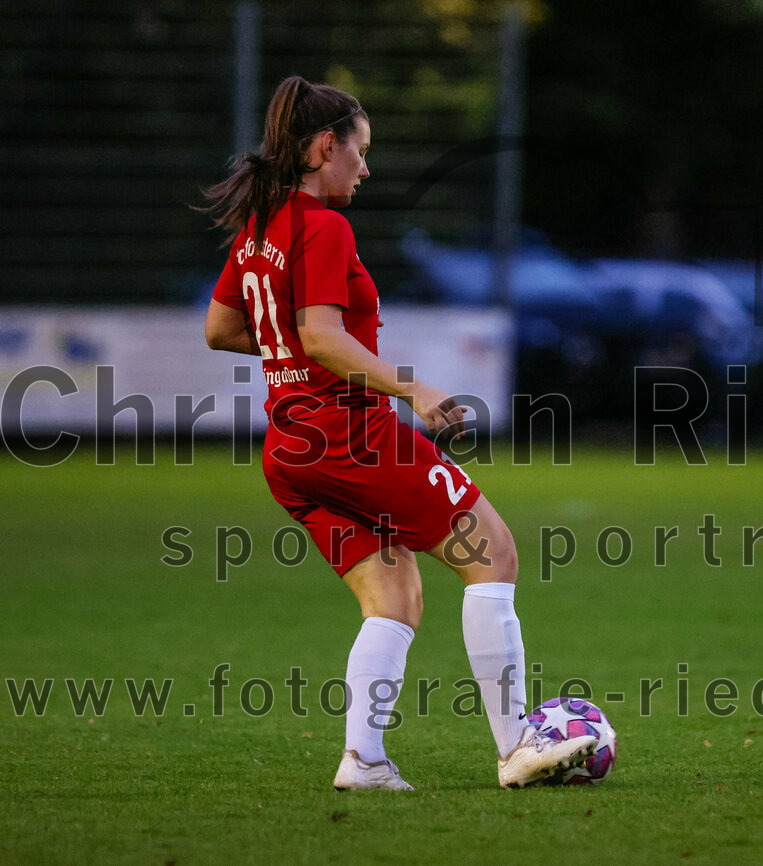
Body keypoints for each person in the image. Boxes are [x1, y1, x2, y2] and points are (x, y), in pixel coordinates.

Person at [199, 75, 596, 790]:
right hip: (353, 438)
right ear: (326, 147)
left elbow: (222, 328)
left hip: (292, 452)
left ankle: (366, 760)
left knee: (394, 597)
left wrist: (290, 349)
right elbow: (319, 336)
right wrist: (409, 386)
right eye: (360, 151)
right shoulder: (321, 225)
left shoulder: (261, 226)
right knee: (494, 555)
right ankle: (518, 746)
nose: (366, 167)